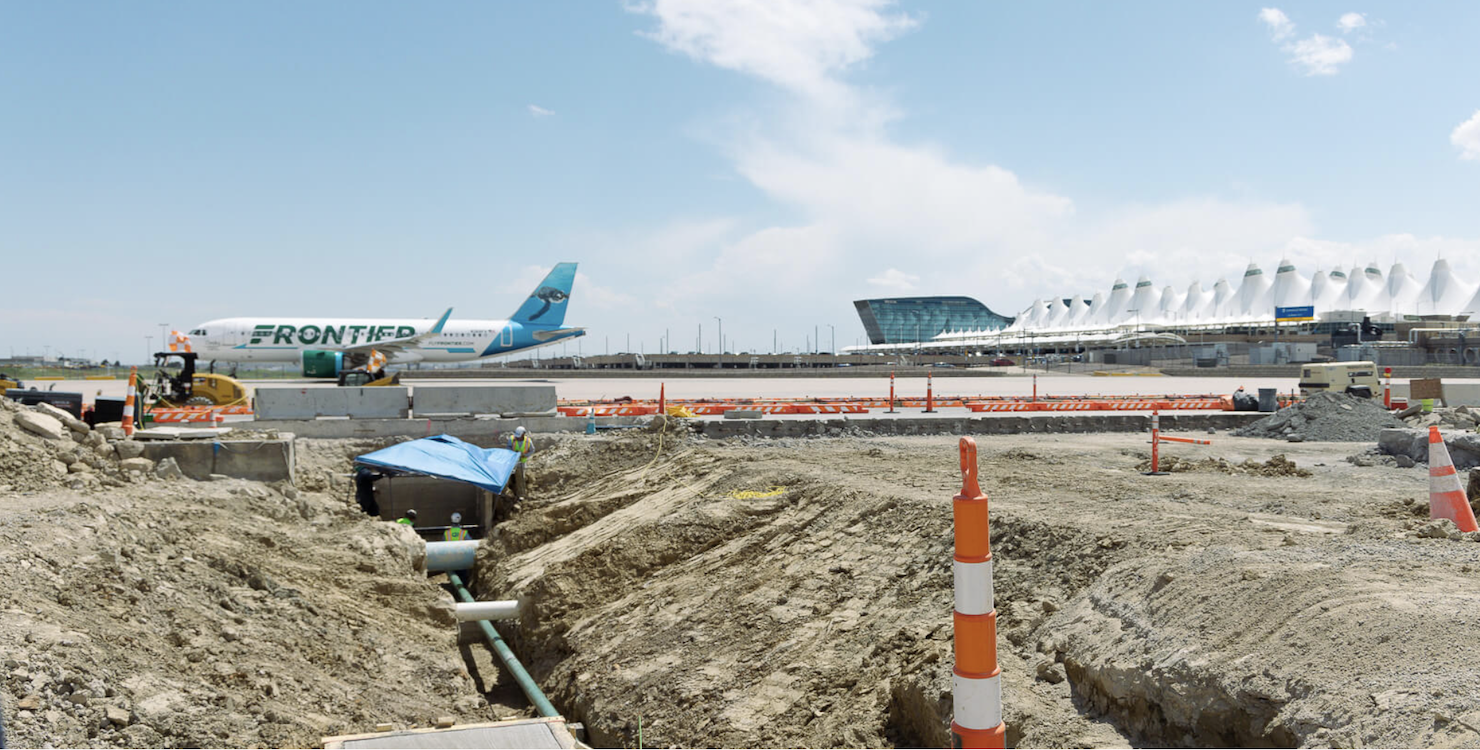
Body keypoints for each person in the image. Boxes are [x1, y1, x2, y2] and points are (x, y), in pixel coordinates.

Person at [508, 426, 535, 500]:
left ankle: (521, 494)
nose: (518, 438)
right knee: (508, 477)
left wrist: (524, 455)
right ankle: (507, 493)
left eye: (519, 436)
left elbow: (532, 450)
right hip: (512, 461)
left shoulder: (528, 441)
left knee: (520, 478)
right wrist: (513, 453)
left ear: (523, 434)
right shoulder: (512, 439)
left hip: (521, 462)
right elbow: (508, 448)